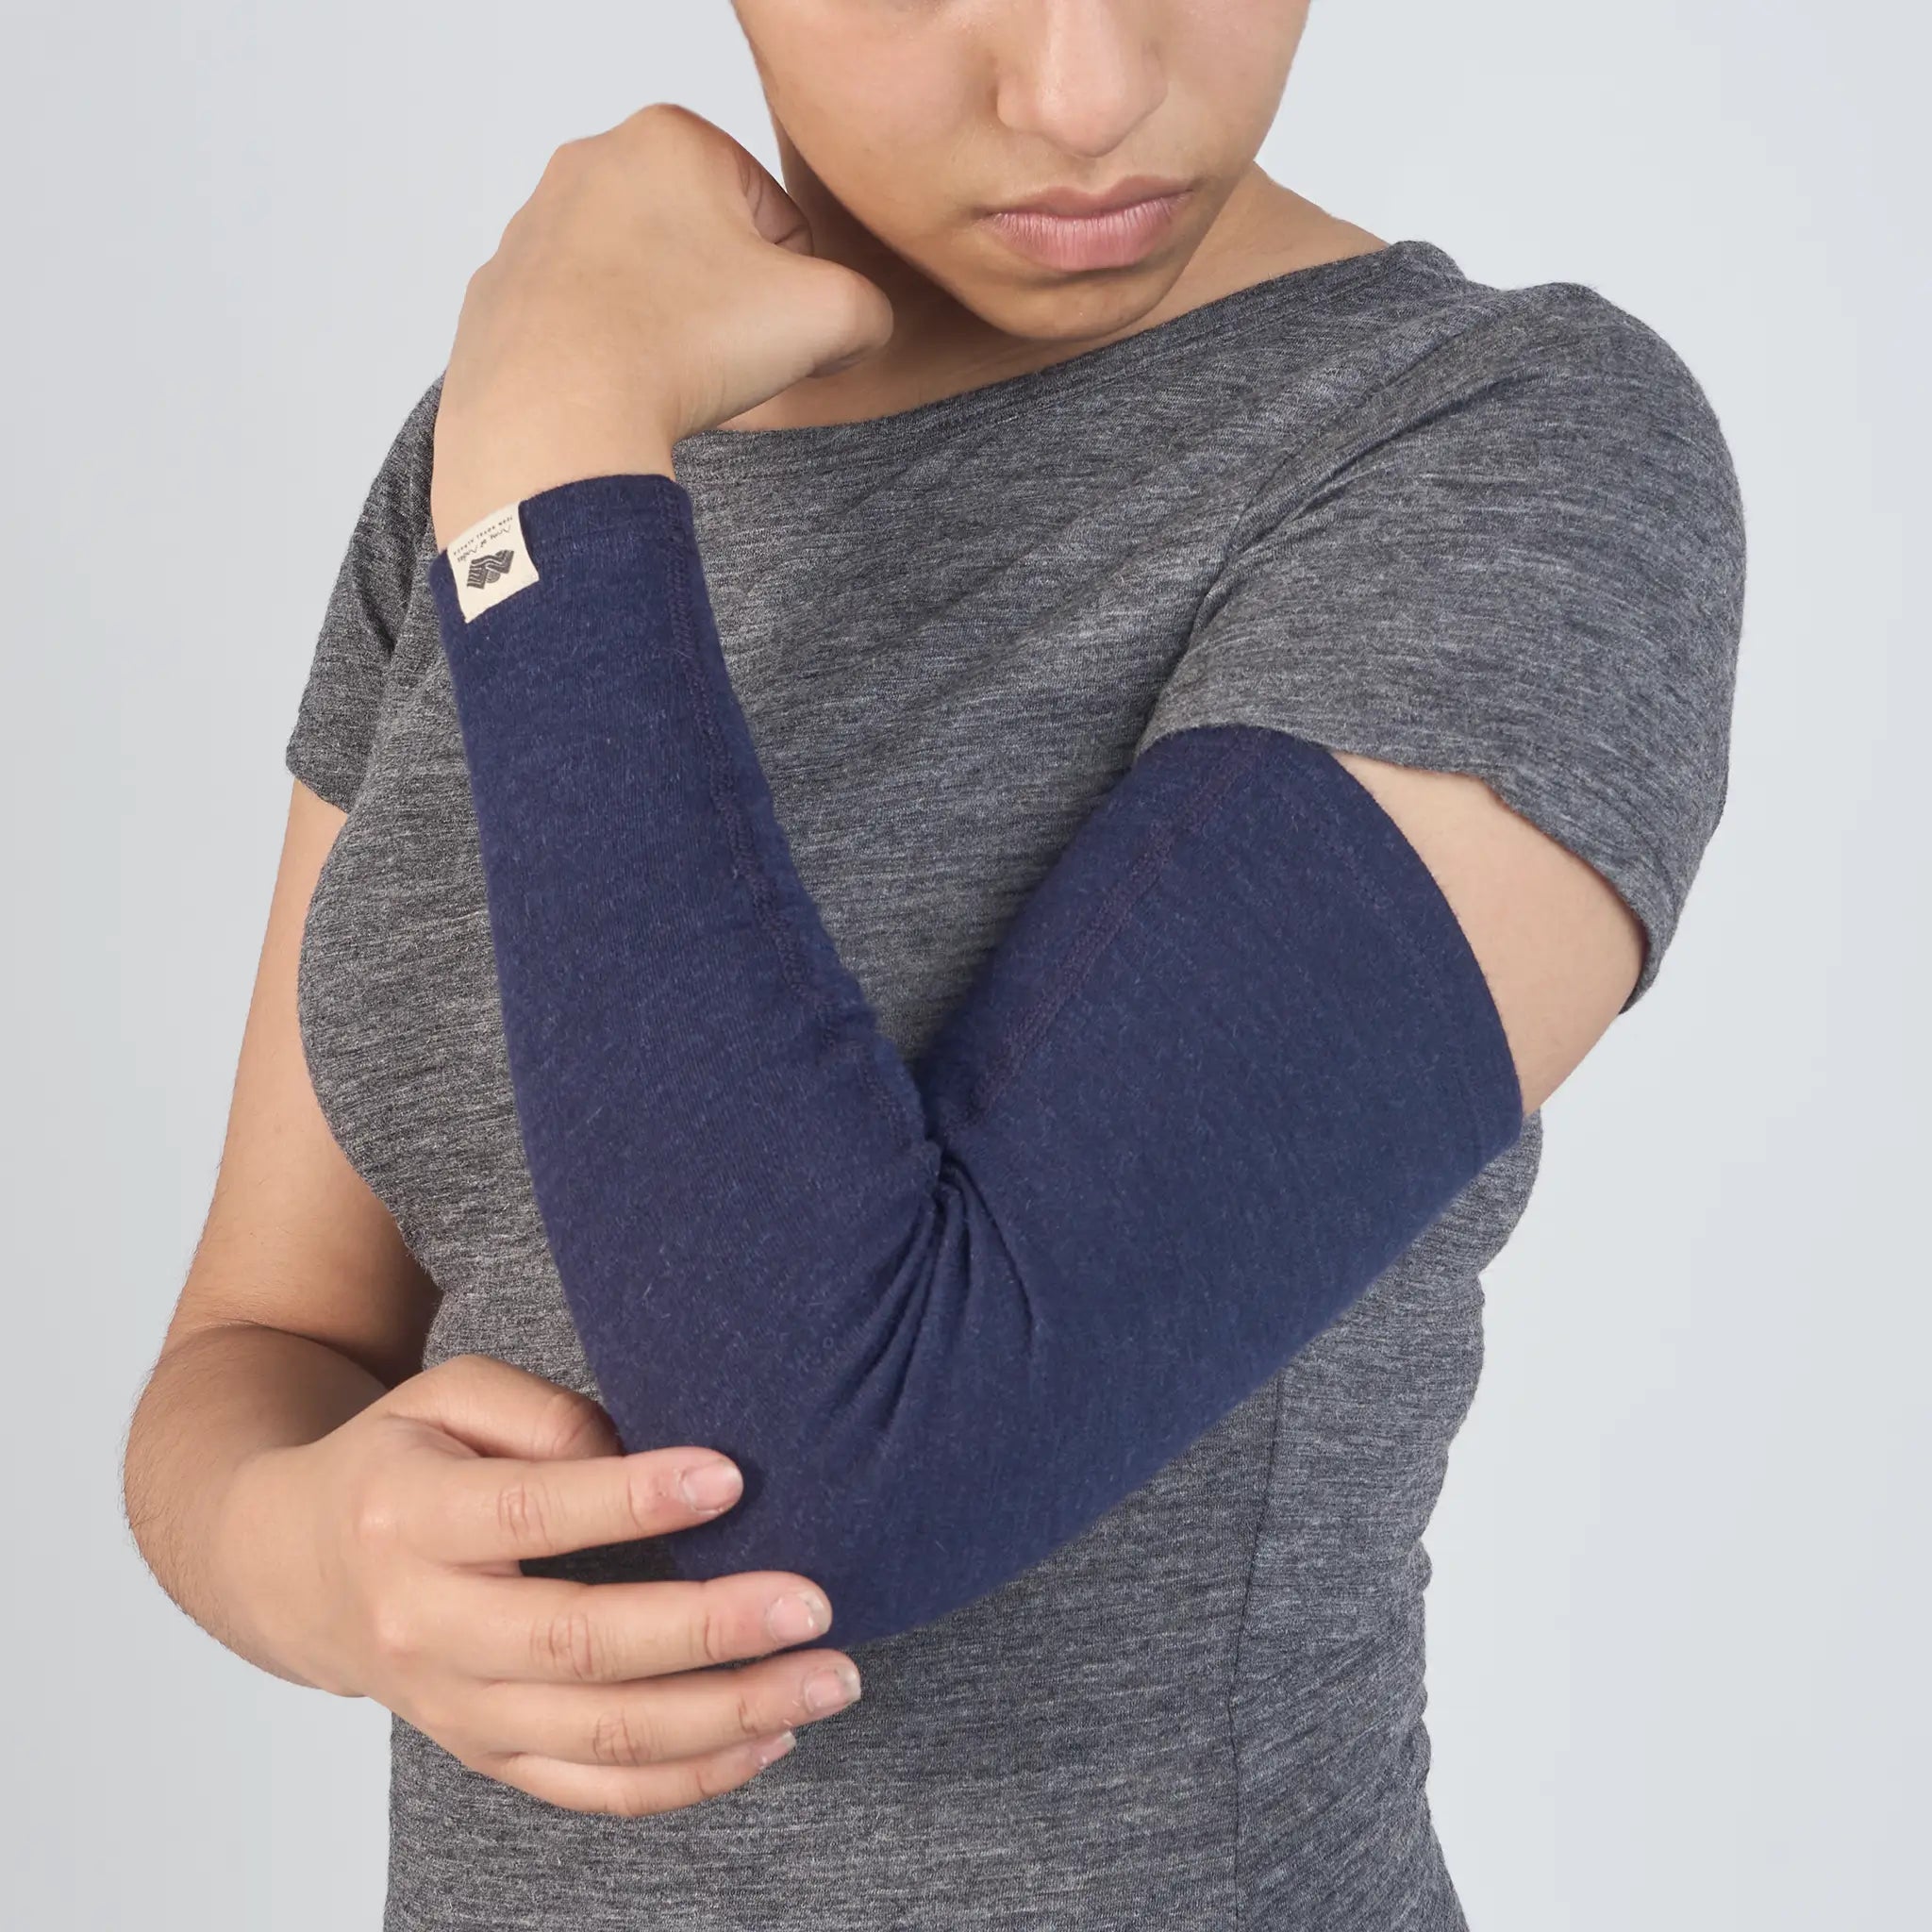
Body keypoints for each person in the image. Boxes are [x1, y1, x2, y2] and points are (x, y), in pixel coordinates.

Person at [123, 3, 1747, 1927]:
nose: (1086, 90)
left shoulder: (1494, 452)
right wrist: (296, 1556)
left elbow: (857, 1462)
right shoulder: (506, 457)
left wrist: (556, 455)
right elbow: (265, 1333)